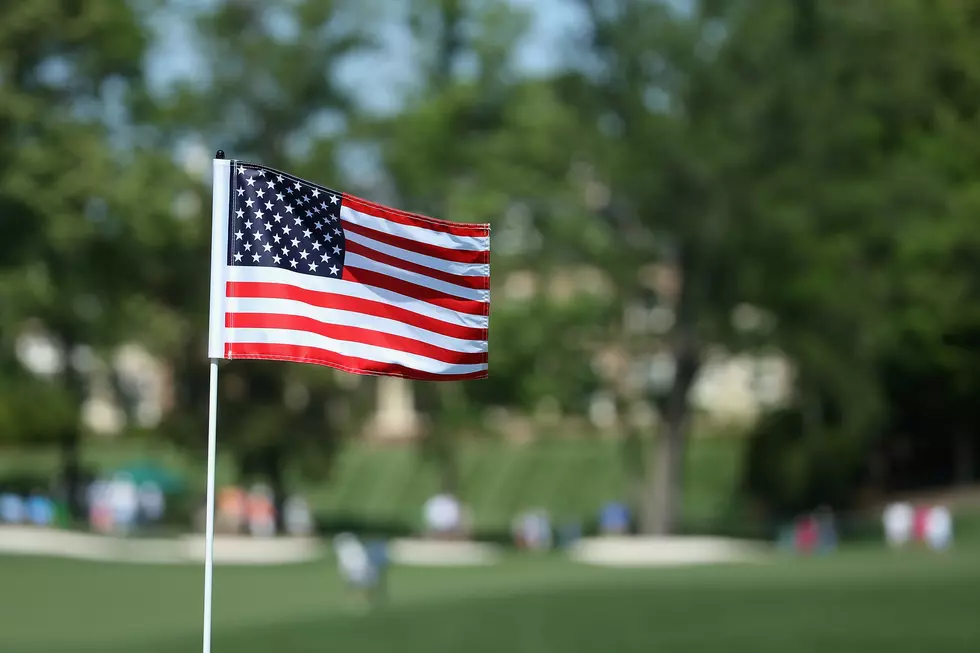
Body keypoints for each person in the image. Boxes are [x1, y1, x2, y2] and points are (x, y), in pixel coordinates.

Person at [333, 533, 385, 611]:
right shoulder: (349, 551)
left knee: (364, 583)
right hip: (356, 570)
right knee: (357, 584)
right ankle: (357, 600)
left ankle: (361, 600)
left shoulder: (356, 549)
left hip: (361, 569)